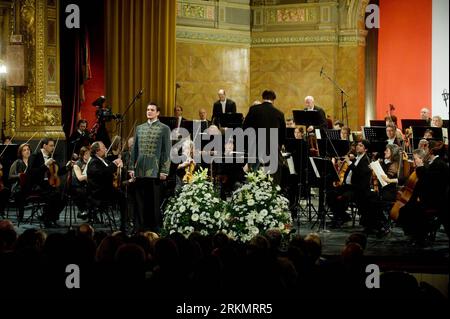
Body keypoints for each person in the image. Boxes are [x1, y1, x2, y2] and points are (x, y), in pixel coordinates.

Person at [129, 102, 171, 233]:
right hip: (140, 170)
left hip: (155, 171)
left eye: (152, 110)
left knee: (153, 201)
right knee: (140, 201)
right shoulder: (139, 128)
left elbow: (166, 151)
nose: (149, 111)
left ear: (158, 113)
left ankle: (154, 228)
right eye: (148, 109)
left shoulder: (164, 128)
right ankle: (139, 227)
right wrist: (131, 167)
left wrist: (164, 170)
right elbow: (134, 149)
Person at [243, 90, 285, 184]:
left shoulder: (254, 110)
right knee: (272, 177)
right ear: (274, 99)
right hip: (273, 149)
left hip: (256, 147)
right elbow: (282, 135)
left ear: (263, 98)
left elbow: (245, 128)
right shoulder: (279, 113)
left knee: (253, 175)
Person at [27, 138, 72, 227]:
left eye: (53, 145)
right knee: (53, 195)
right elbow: (31, 173)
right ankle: (47, 221)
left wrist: (67, 167)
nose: (53, 147)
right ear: (44, 146)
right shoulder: (34, 156)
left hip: (48, 185)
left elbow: (57, 172)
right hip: (37, 185)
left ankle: (51, 218)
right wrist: (45, 165)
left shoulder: (51, 157)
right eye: (51, 145)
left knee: (64, 197)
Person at [327, 140, 372, 227]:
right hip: (348, 186)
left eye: (361, 145)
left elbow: (358, 173)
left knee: (342, 198)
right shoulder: (357, 158)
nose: (357, 147)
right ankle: (344, 216)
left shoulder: (366, 160)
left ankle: (339, 219)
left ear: (365, 149)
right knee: (330, 194)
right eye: (357, 145)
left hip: (358, 189)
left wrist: (349, 162)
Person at [86, 141, 127, 231]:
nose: (105, 149)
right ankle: (124, 224)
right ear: (97, 151)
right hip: (99, 193)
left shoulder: (103, 160)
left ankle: (125, 222)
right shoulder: (94, 162)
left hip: (106, 190)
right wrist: (114, 164)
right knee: (123, 197)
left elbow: (110, 168)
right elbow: (103, 173)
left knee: (122, 194)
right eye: (103, 147)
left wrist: (119, 165)